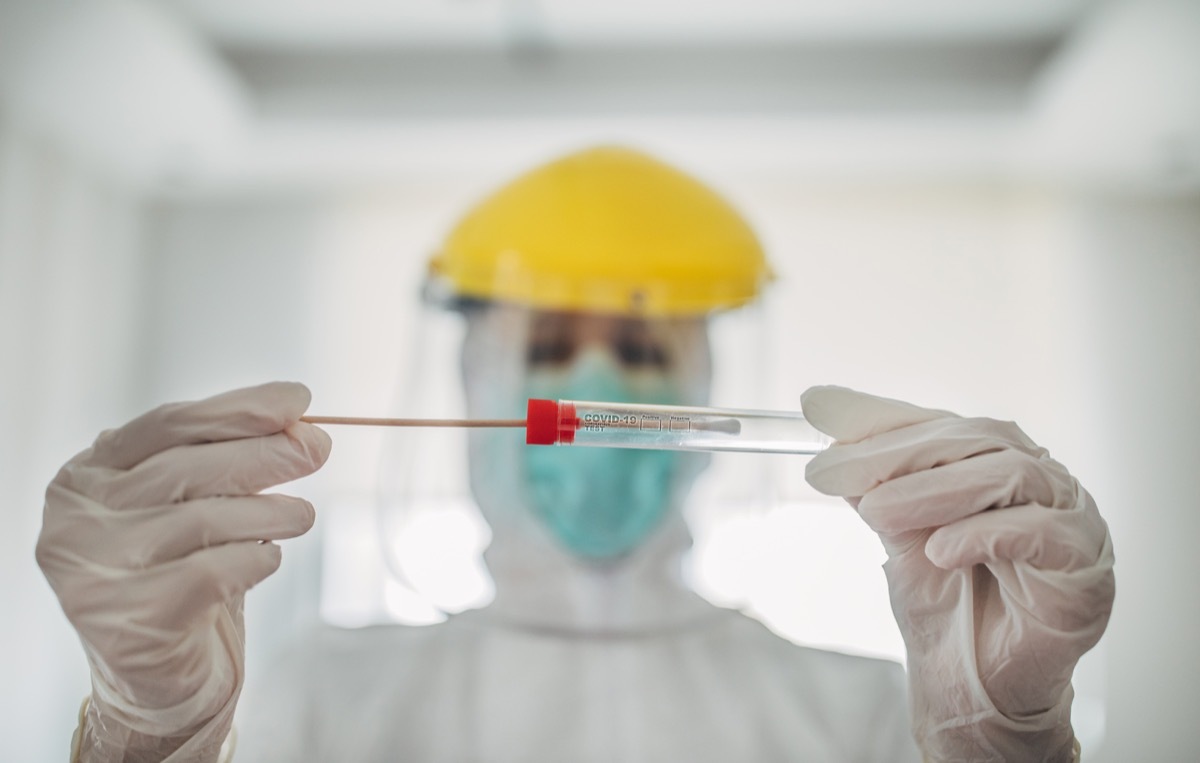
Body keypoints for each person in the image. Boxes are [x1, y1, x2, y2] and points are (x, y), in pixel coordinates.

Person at [36, 146, 1114, 762]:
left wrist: (1005, 743)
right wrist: (143, 737)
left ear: (700, 393)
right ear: (470, 382)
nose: (599, 391)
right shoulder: (325, 695)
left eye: (644, 348)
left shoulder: (866, 713)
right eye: (550, 346)